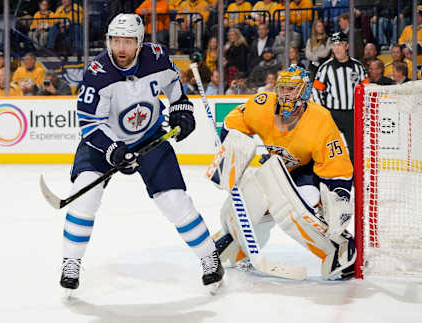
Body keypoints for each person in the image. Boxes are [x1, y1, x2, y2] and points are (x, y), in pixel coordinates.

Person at [59, 13, 224, 292]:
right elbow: (89, 124)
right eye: (115, 41)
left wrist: (181, 109)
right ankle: (71, 262)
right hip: (103, 142)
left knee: (174, 200)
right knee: (85, 195)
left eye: (128, 41)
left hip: (149, 135)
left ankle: (210, 258)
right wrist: (114, 149)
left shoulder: (157, 57)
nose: (120, 48)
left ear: (140, 43)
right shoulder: (97, 74)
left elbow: (173, 85)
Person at [212, 65, 356, 280]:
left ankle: (338, 248)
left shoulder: (320, 120)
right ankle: (235, 244)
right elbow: (233, 123)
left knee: (296, 209)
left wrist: (340, 196)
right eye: (282, 89)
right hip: (275, 167)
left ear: (304, 91)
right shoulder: (263, 105)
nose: (285, 94)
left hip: (305, 174)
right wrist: (231, 150)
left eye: (291, 89)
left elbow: (337, 167)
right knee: (252, 203)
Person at [312, 32, 368, 163]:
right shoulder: (326, 67)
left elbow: (366, 89)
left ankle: (355, 181)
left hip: (352, 115)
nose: (336, 48)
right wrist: (323, 111)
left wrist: (364, 110)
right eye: (334, 45)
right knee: (329, 148)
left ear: (347, 46)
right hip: (333, 114)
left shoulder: (357, 66)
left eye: (340, 45)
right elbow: (316, 90)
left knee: (355, 150)